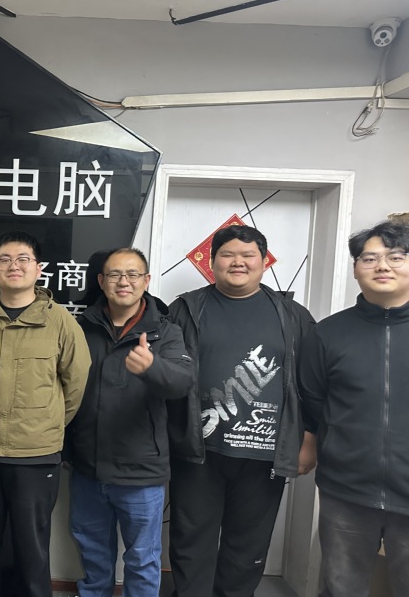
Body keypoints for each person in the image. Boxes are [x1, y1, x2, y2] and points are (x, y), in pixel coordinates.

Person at [166, 224, 316, 597]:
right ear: (212, 261)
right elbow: (165, 375)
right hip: (197, 450)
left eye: (248, 255)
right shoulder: (185, 309)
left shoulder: (293, 316)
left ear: (264, 262)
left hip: (264, 455)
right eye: (228, 255)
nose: (238, 262)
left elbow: (313, 384)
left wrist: (309, 440)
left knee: (247, 547)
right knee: (190, 540)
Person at [0, 230, 91, 597]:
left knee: (32, 550)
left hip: (35, 456)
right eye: (5, 260)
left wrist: (47, 425)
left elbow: (75, 384)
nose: (14, 266)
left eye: (23, 259)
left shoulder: (60, 322)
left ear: (39, 269)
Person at [67, 247, 194, 597]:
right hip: (87, 467)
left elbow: (183, 382)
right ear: (101, 281)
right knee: (92, 554)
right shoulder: (81, 328)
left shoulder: (165, 332)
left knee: (141, 559)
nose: (124, 281)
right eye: (114, 274)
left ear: (146, 280)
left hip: (141, 472)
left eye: (133, 274)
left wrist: (153, 367)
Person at [299, 220, 409, 597]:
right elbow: (313, 402)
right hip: (346, 490)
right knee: (340, 588)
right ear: (355, 269)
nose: (382, 266)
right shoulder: (327, 334)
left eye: (396, 257)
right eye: (370, 258)